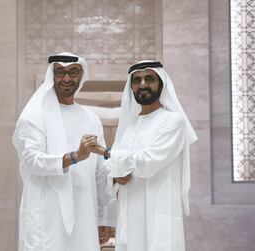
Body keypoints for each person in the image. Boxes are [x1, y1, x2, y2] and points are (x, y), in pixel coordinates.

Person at [12, 52, 114, 251]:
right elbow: (33, 160)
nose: (67, 78)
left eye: (73, 73)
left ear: (81, 76)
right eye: (60, 73)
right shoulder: (34, 115)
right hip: (47, 213)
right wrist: (75, 157)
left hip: (85, 212)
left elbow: (101, 172)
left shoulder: (91, 118)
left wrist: (103, 217)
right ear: (52, 75)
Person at [93, 60, 197, 251]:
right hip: (129, 217)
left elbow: (148, 162)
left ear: (161, 84)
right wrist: (116, 175)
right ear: (131, 86)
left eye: (149, 78)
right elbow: (112, 170)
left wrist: (105, 152)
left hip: (159, 215)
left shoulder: (173, 121)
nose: (142, 84)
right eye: (137, 79)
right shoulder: (130, 127)